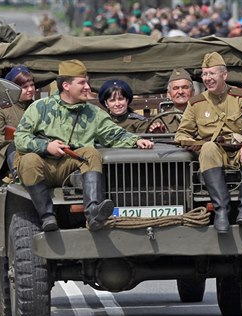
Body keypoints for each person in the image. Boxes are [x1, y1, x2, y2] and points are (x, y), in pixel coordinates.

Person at [14, 59, 153, 232]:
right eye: (82, 83)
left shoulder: (93, 113)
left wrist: (135, 141)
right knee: (28, 160)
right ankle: (47, 217)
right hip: (42, 167)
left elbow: (114, 134)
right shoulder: (40, 107)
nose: (88, 87)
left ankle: (93, 212)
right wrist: (46, 146)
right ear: (66, 85)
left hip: (70, 168)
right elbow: (20, 138)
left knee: (91, 152)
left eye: (87, 82)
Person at [175, 52, 242, 233]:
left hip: (241, 151)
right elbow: (182, 132)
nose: (207, 78)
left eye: (212, 74)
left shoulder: (241, 97)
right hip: (215, 154)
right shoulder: (196, 103)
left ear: (224, 75)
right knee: (208, 147)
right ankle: (221, 210)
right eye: (204, 74)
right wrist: (190, 142)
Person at [0, 65, 35, 183]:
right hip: (11, 158)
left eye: (32, 85)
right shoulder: (3, 110)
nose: (30, 89)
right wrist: (16, 137)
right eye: (24, 87)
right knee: (13, 146)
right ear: (13, 89)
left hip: (35, 151)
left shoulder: (37, 107)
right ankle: (16, 173)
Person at [146, 68, 194, 133]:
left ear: (193, 92)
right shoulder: (162, 120)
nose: (180, 92)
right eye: (175, 88)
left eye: (185, 87)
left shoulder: (202, 115)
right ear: (169, 94)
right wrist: (158, 133)